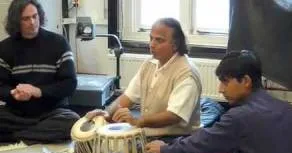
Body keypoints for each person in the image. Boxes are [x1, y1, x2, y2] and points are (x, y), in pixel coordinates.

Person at [146, 50, 292, 153]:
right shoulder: (291, 111)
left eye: (225, 81)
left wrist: (165, 148)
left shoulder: (241, 117)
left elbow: (202, 143)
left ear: (246, 81)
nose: (220, 89)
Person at [86, 17, 202, 140]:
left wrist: (138, 121)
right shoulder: (149, 63)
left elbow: (174, 116)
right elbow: (128, 97)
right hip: (149, 131)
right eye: (151, 38)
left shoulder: (186, 72)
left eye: (159, 40)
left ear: (175, 45)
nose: (152, 44)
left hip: (178, 138)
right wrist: (107, 114)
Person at [0, 0, 79, 144]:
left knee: (73, 122)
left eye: (35, 16)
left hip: (52, 113)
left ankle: (16, 137)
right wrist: (14, 94)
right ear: (16, 21)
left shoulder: (59, 43)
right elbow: (1, 86)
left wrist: (38, 91)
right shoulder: (4, 48)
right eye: (26, 19)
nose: (32, 22)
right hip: (16, 114)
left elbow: (70, 84)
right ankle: (35, 135)